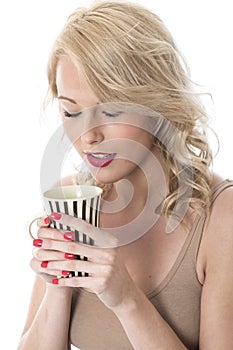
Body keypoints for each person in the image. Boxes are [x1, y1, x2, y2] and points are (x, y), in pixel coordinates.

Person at [18, 1, 233, 349]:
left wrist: (125, 298)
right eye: (71, 112)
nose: (88, 136)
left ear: (158, 105)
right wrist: (58, 286)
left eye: (112, 110)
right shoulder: (71, 199)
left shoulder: (221, 217)